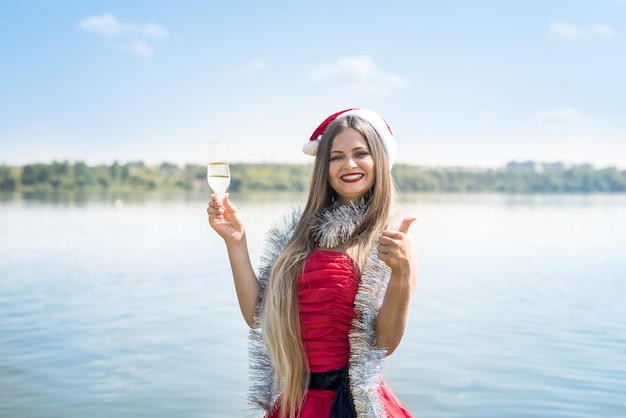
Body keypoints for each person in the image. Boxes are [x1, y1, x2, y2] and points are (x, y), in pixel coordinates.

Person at [207, 108, 418, 417]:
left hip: (350, 406)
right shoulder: (297, 238)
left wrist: (402, 273)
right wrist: (236, 242)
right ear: (323, 166)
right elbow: (259, 318)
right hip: (296, 402)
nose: (349, 164)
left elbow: (383, 344)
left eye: (361, 153)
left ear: (379, 161)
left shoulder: (391, 242)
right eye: (336, 156)